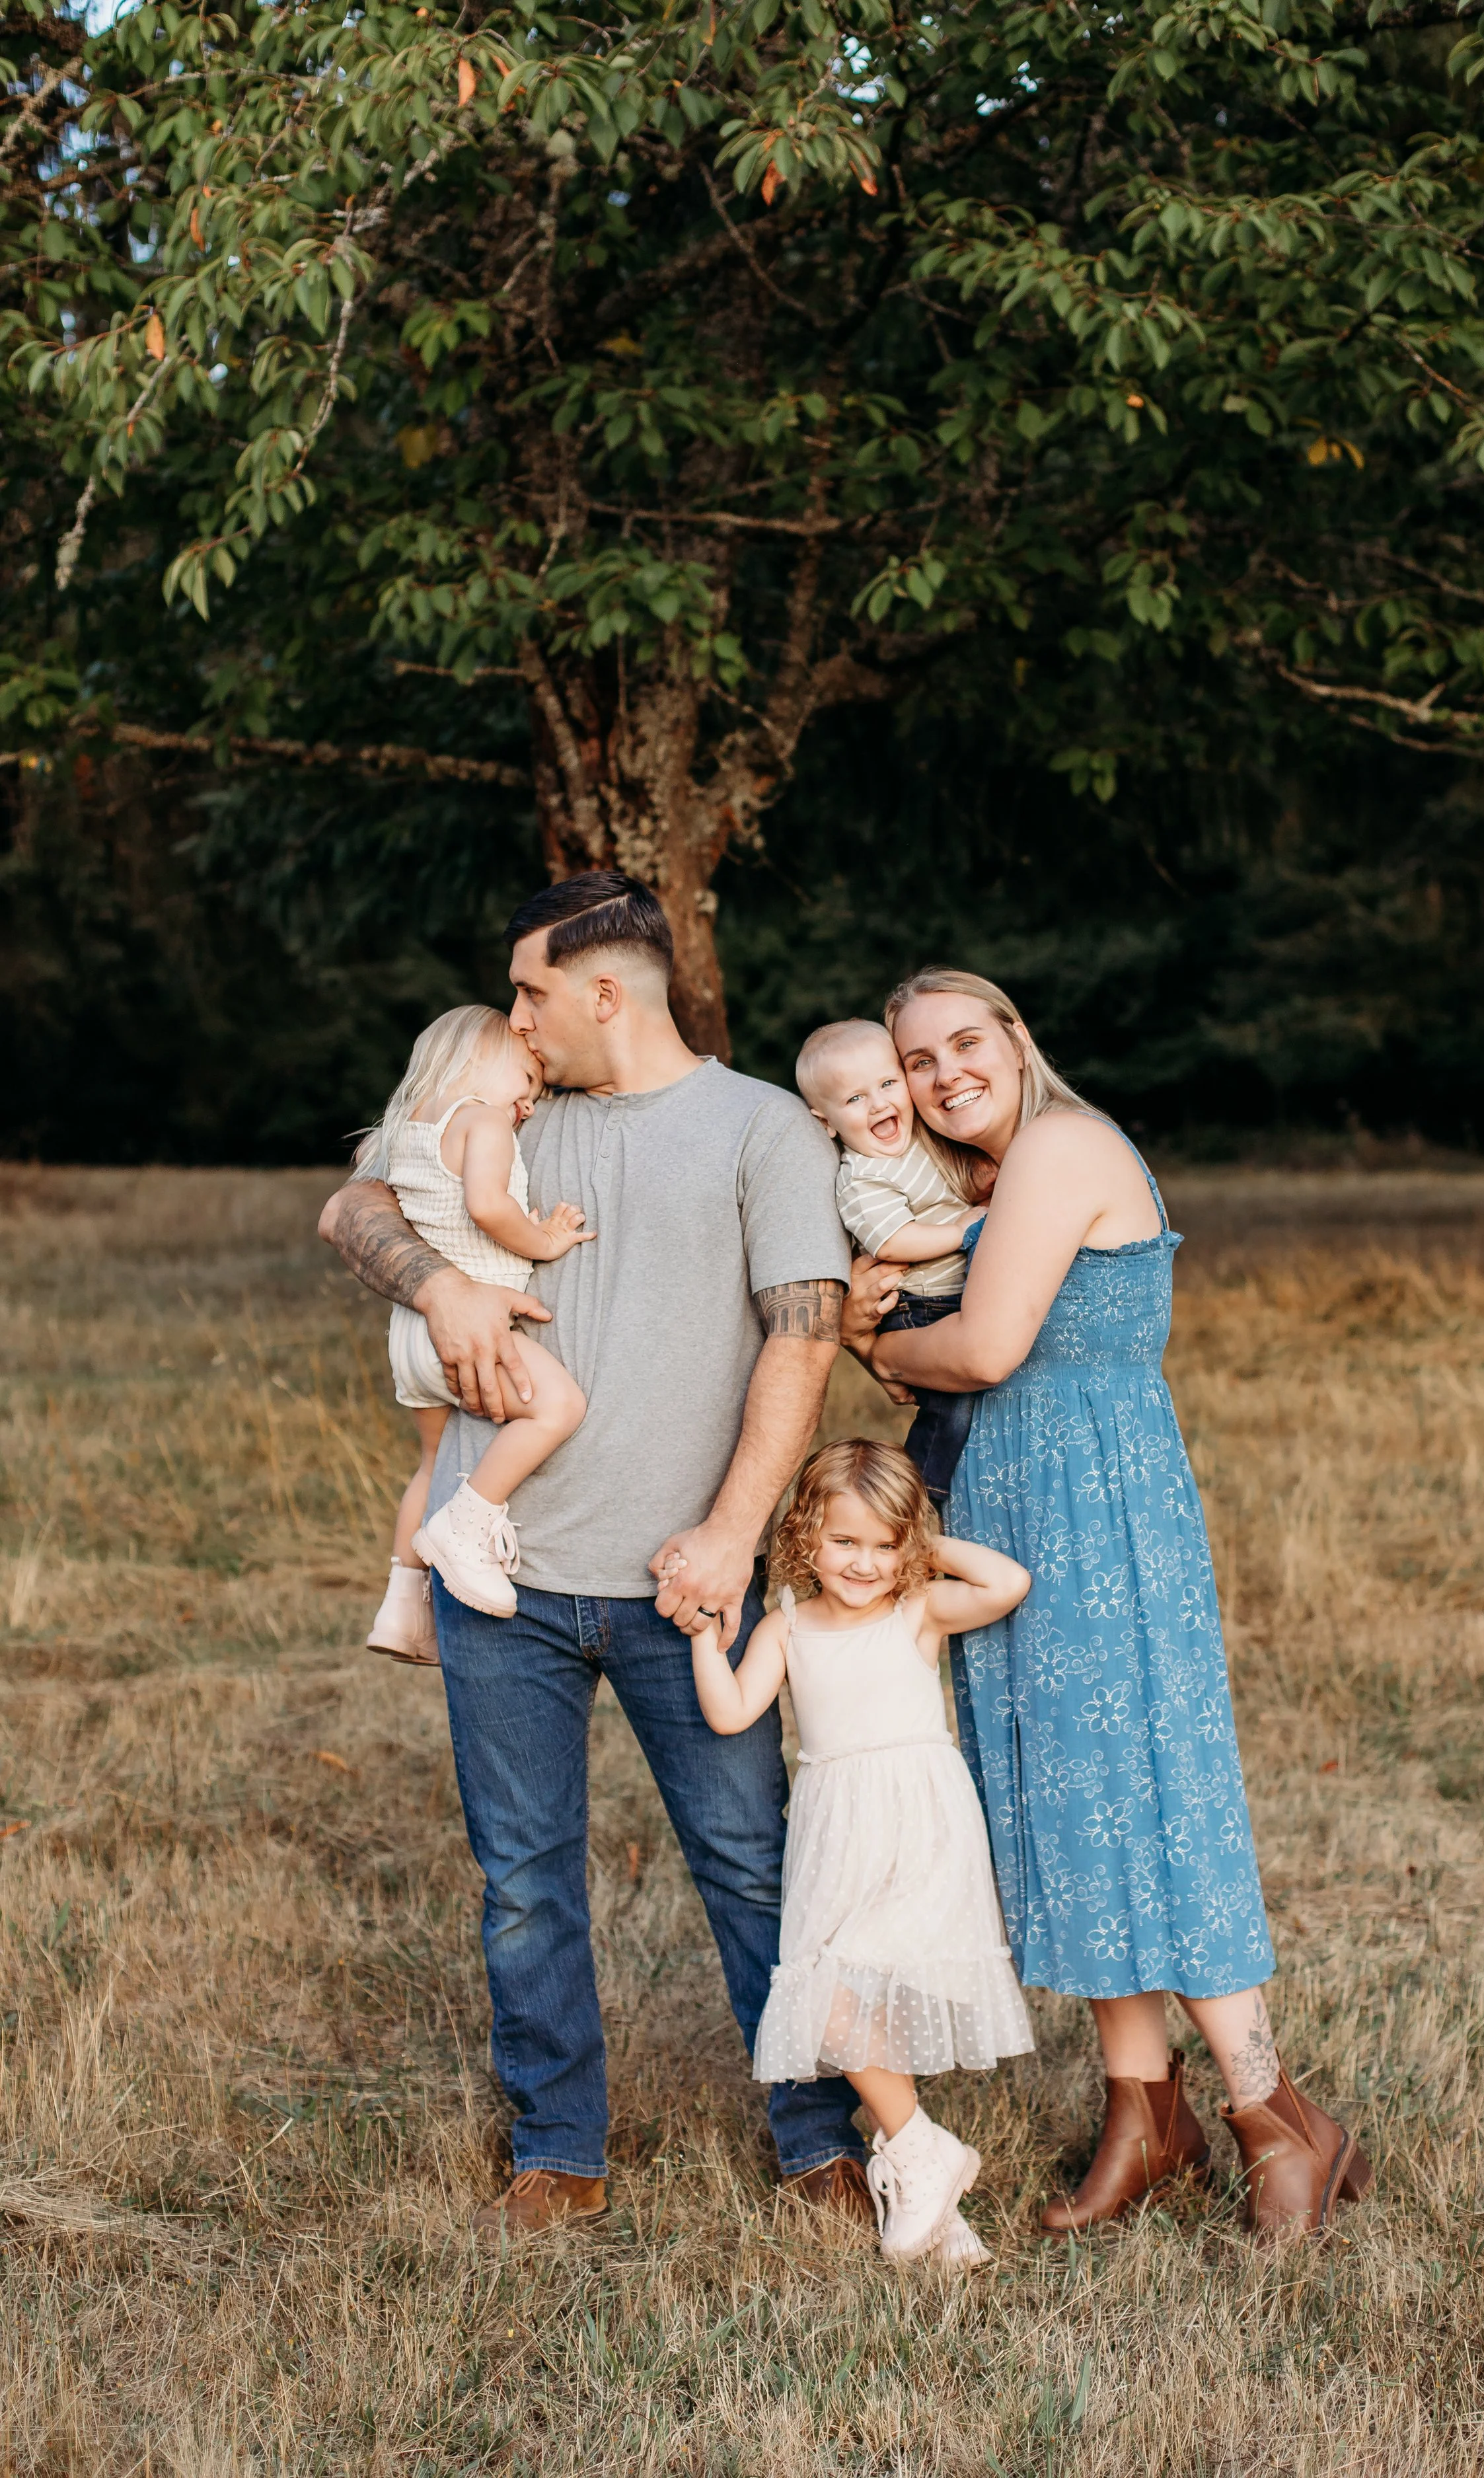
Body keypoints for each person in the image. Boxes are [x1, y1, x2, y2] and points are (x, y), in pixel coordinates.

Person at [317, 871, 872, 2237]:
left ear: (604, 991)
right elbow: (350, 1210)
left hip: (686, 1586)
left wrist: (733, 1534)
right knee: (524, 1883)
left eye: (531, 993)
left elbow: (803, 1339)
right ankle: (558, 2149)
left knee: (751, 1862)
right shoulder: (512, 1116)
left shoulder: (762, 1129)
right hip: (500, 1578)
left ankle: (817, 2137)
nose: (514, 1018)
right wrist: (442, 1281)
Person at [842, 967, 1372, 2239]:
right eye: (916, 1061)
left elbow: (982, 1350)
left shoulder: (1063, 1145)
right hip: (1012, 1509)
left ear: (1016, 1039)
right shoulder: (980, 1185)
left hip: (1101, 1512)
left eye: (964, 1043)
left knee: (1154, 1801)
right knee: (1071, 1810)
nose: (943, 1075)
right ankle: (1146, 2114)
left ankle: (1276, 2116)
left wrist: (873, 1347)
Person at [691, 1438, 1033, 2268]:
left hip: (918, 1825)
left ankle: (917, 2157)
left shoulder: (914, 1611)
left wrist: (920, 1544)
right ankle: (928, 2180)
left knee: (849, 1997)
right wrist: (704, 1637)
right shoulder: (787, 1627)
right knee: (844, 2006)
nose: (864, 1563)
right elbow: (731, 1712)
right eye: (844, 1541)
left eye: (884, 1546)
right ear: (805, 1534)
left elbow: (1007, 1583)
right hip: (835, 1832)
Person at [355, 1004, 593, 1662]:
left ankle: (402, 1607)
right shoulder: (482, 1119)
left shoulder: (402, 1130)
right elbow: (488, 1206)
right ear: (479, 1059)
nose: (530, 1102)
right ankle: (466, 1526)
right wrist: (543, 1240)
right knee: (559, 1406)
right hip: (470, 1330)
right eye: (527, 1080)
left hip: (413, 1331)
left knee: (432, 1463)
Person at [796, 1018, 985, 1499]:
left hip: (956, 1294)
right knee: (952, 1405)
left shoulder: (923, 1140)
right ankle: (924, 1490)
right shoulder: (862, 1178)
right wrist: (961, 1231)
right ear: (826, 1121)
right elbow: (894, 1242)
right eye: (855, 1098)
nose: (879, 1104)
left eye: (887, 1084)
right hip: (921, 1307)